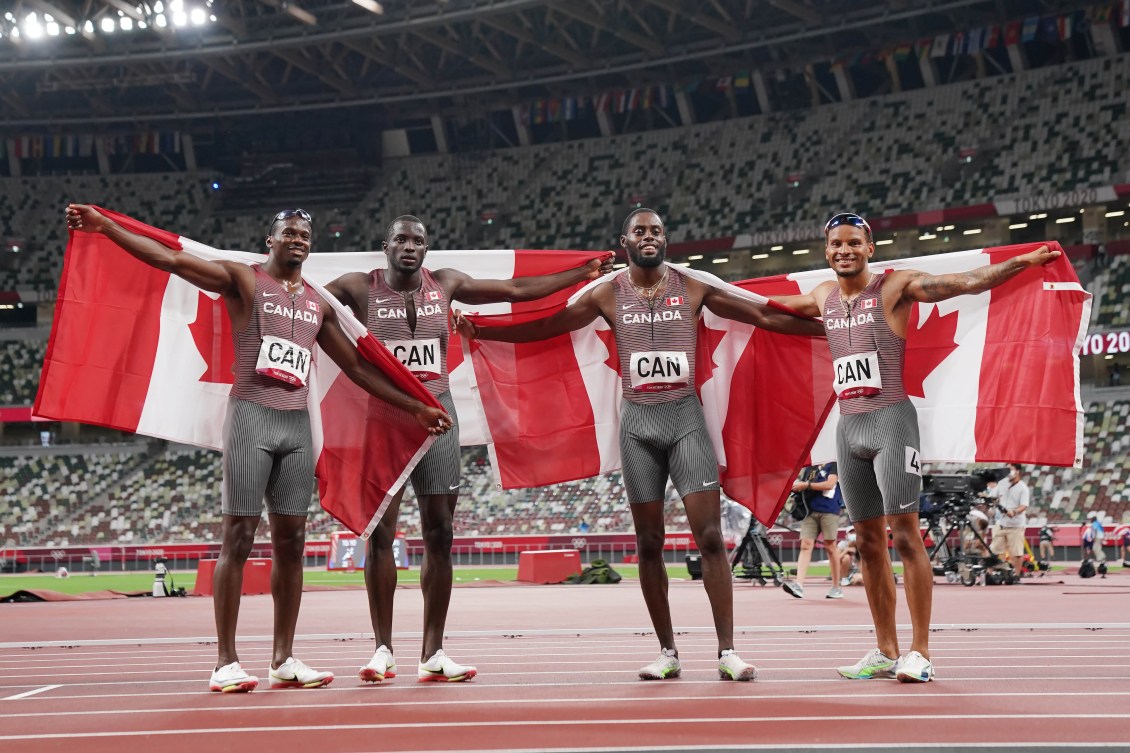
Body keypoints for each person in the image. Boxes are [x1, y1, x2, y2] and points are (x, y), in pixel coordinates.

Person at [65, 204, 453, 693]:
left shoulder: (315, 302)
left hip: (296, 429)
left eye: (304, 235)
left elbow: (357, 367)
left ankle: (283, 659)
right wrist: (109, 229)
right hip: (251, 418)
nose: (297, 240)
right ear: (270, 240)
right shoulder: (242, 279)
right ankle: (225, 660)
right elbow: (170, 261)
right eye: (288, 233)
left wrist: (415, 407)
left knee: (291, 544)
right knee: (240, 538)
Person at [456, 208, 823, 681]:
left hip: (685, 419)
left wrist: (833, 331)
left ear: (665, 238)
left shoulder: (694, 286)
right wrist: (483, 330)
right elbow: (551, 325)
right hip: (638, 425)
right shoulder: (607, 292)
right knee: (649, 543)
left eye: (655, 231)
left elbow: (761, 315)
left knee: (710, 537)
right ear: (624, 240)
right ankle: (667, 651)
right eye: (639, 231)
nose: (648, 237)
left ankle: (727, 651)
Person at [771, 212, 1061, 683]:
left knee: (904, 535)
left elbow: (963, 282)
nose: (844, 250)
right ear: (826, 252)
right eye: (835, 245)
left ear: (870, 247)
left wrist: (1021, 262)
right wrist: (703, 303)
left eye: (853, 243)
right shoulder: (823, 296)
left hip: (891, 422)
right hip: (848, 430)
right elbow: (766, 308)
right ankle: (885, 649)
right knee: (866, 543)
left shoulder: (894, 286)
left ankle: (920, 652)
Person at [325, 215, 611, 683]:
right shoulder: (359, 287)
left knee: (440, 534)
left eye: (418, 240)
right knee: (381, 536)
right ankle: (382, 649)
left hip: (438, 417)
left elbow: (516, 291)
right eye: (401, 239)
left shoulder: (448, 283)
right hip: (384, 421)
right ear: (385, 247)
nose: (410, 246)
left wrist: (579, 274)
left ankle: (433, 651)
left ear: (427, 247)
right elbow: (302, 302)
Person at [783, 463, 845, 599]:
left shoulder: (833, 464)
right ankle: (798, 585)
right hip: (810, 511)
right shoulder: (810, 468)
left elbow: (830, 484)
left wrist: (806, 485)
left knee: (830, 546)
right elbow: (804, 486)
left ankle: (836, 587)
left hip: (829, 510)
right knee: (805, 544)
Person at [986, 463, 1029, 575]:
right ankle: (989, 573)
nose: (1008, 472)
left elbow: (1024, 505)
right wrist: (992, 504)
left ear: (1018, 471)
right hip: (1001, 523)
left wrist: (1013, 512)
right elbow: (992, 496)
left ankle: (1016, 575)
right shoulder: (1002, 483)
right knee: (994, 550)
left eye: (1011, 469)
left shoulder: (1023, 488)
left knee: (1017, 553)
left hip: (1016, 525)